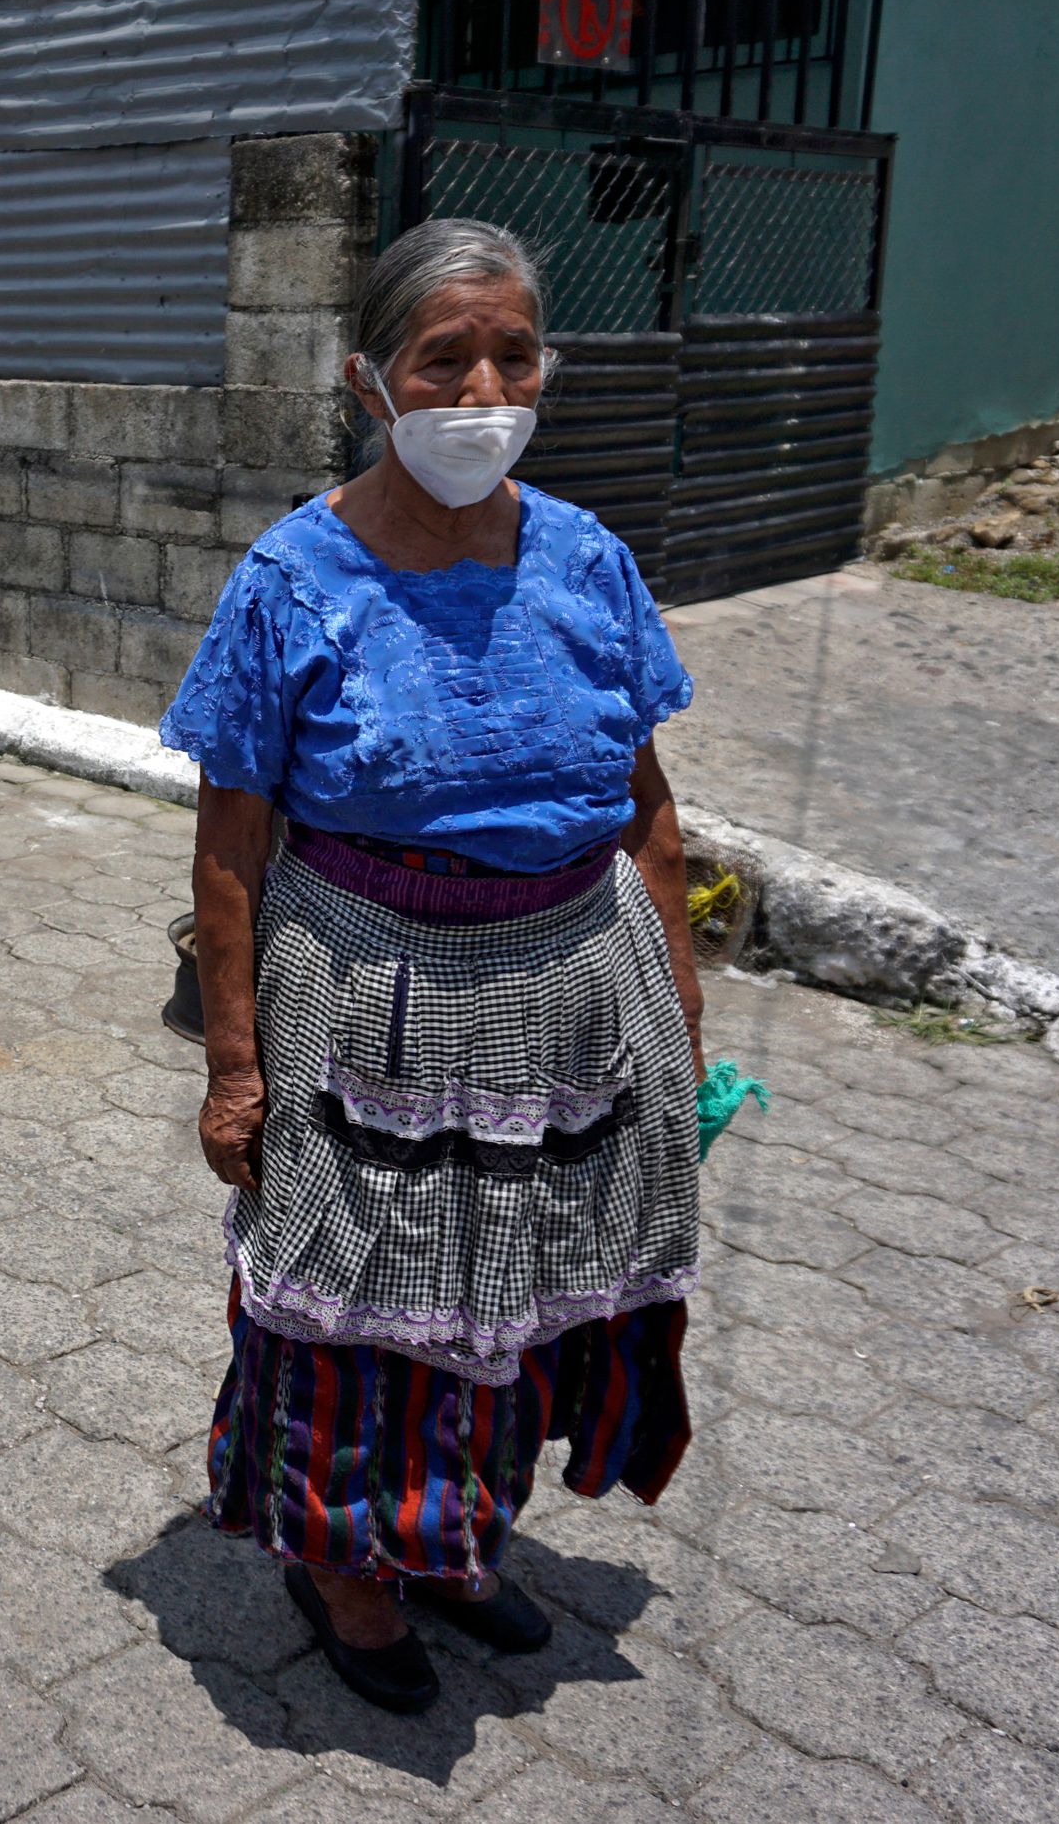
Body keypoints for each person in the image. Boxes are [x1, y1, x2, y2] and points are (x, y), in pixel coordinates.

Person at [159, 217, 703, 1714]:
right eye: (442, 357)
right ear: (368, 380)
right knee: (357, 1306)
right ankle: (343, 1562)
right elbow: (229, 849)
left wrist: (680, 1017)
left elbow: (647, 808)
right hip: (365, 1003)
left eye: (511, 355)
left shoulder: (589, 559)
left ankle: (456, 1537)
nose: (481, 386)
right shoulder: (290, 579)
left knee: (523, 1293)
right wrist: (233, 1063)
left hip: (572, 1003)